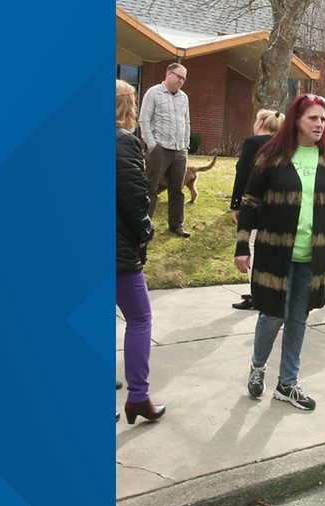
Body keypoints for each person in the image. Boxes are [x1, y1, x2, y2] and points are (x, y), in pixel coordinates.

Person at [234, 93, 325, 411]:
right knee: (271, 315)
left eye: (323, 119)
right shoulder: (272, 154)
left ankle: (288, 383)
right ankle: (258, 366)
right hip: (274, 252)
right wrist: (243, 245)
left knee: (298, 318)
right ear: (296, 119)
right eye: (313, 118)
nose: (320, 124)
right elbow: (250, 201)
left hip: (313, 255)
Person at [117, 79, 167, 425]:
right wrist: (145, 233)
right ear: (127, 107)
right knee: (139, 319)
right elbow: (136, 199)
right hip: (116, 252)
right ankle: (137, 398)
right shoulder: (122, 143)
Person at [230, 109, 286, 310]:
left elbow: (243, 174)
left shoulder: (253, 143)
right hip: (277, 206)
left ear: (261, 124)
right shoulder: (285, 146)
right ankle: (262, 290)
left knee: (252, 247)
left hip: (254, 203)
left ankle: (258, 294)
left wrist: (236, 204)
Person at [139, 62, 192, 238]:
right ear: (169, 74)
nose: (181, 81)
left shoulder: (184, 97)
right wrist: (152, 144)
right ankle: (144, 225)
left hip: (179, 151)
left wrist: (185, 144)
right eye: (179, 76)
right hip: (159, 149)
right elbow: (144, 120)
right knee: (150, 188)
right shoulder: (153, 93)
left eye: (184, 78)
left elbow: (187, 122)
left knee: (177, 190)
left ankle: (177, 225)